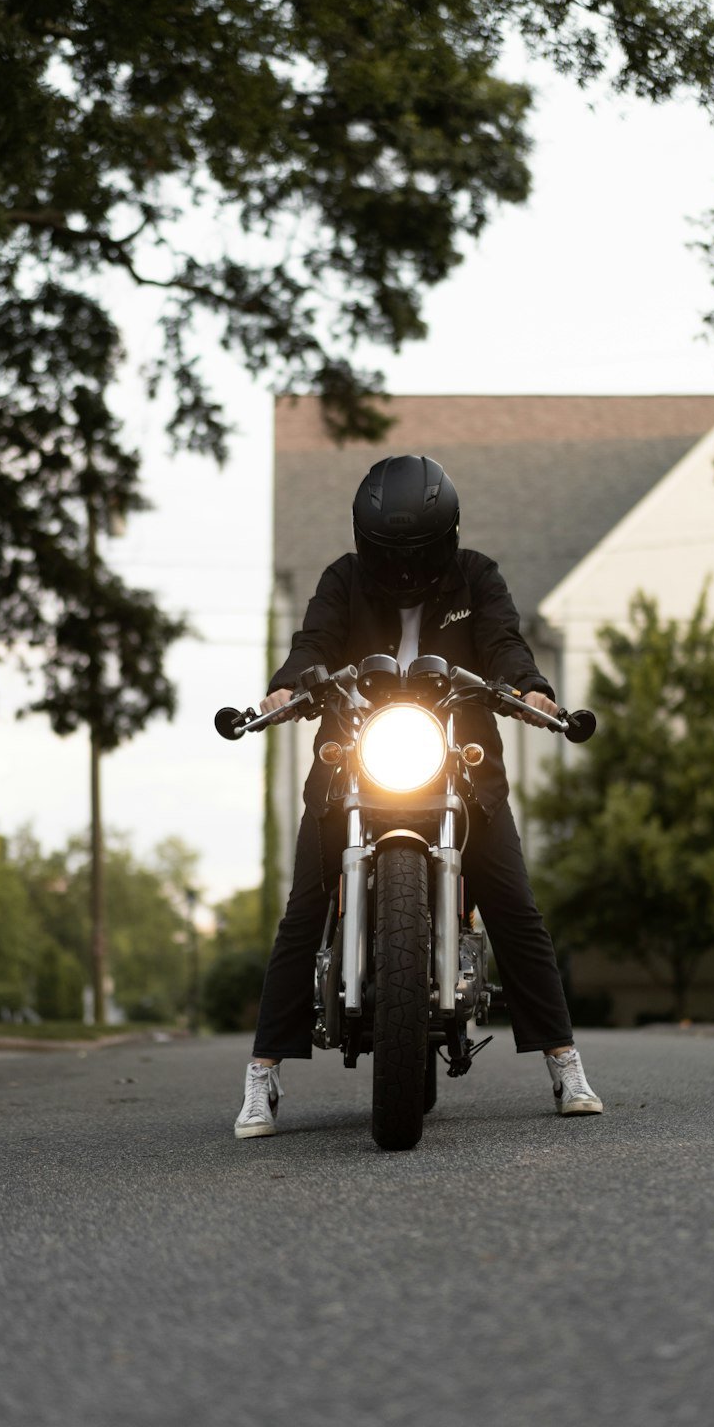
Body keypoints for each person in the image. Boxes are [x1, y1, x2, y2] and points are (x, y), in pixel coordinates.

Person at [235, 453, 602, 1139]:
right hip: (355, 765)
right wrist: (286, 690)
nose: (403, 563)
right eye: (389, 550)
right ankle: (262, 1074)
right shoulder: (344, 581)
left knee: (515, 909)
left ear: (444, 537)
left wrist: (530, 691)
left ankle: (565, 1064)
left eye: (416, 548)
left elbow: (502, 642)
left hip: (457, 766)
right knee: (304, 909)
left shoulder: (477, 577)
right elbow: (311, 643)